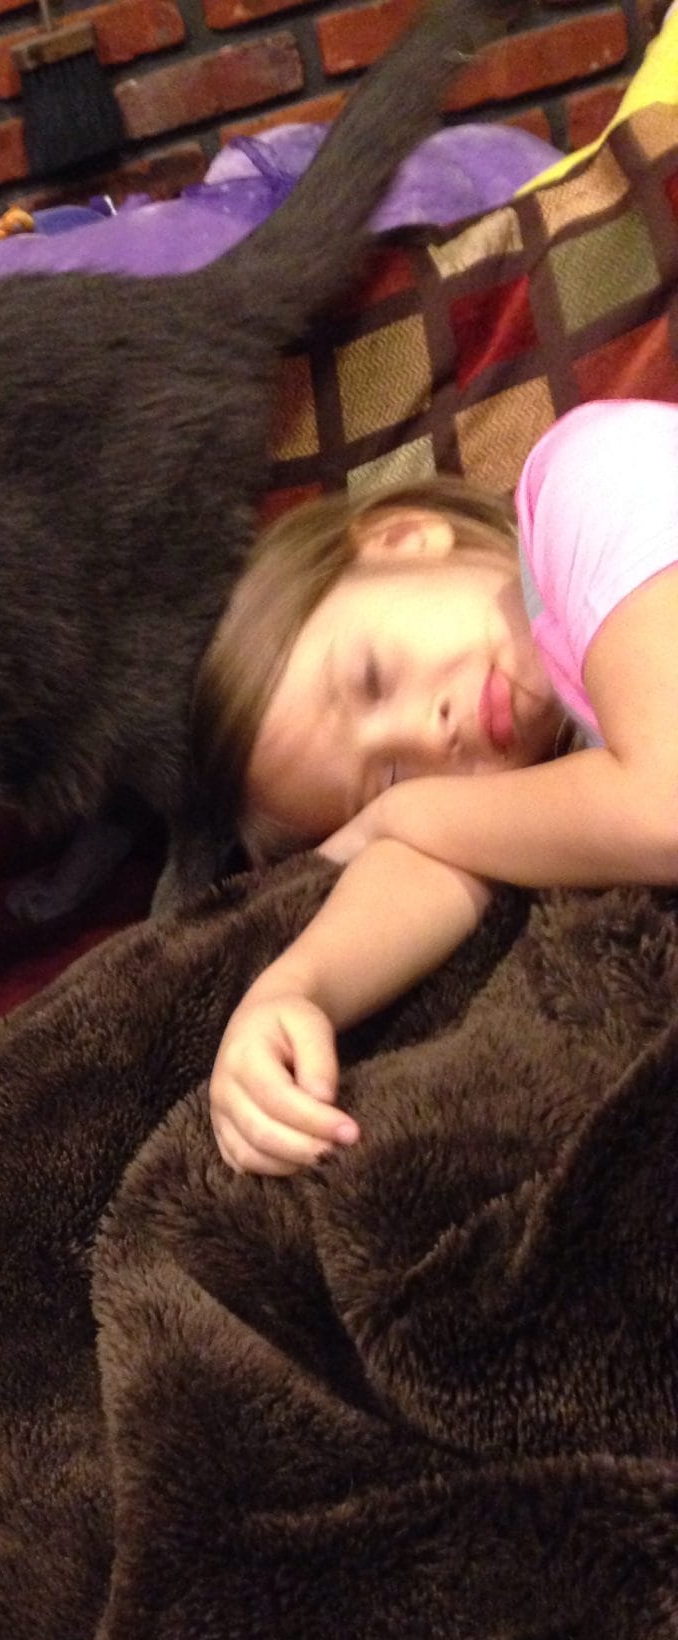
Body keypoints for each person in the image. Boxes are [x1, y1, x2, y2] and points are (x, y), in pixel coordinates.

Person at [199, 398, 678, 1176]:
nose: (430, 735)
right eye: (390, 773)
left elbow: (667, 803)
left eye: (373, 677)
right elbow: (426, 858)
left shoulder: (591, 479)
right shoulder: (551, 777)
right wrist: (293, 991)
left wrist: (401, 806)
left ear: (403, 540)